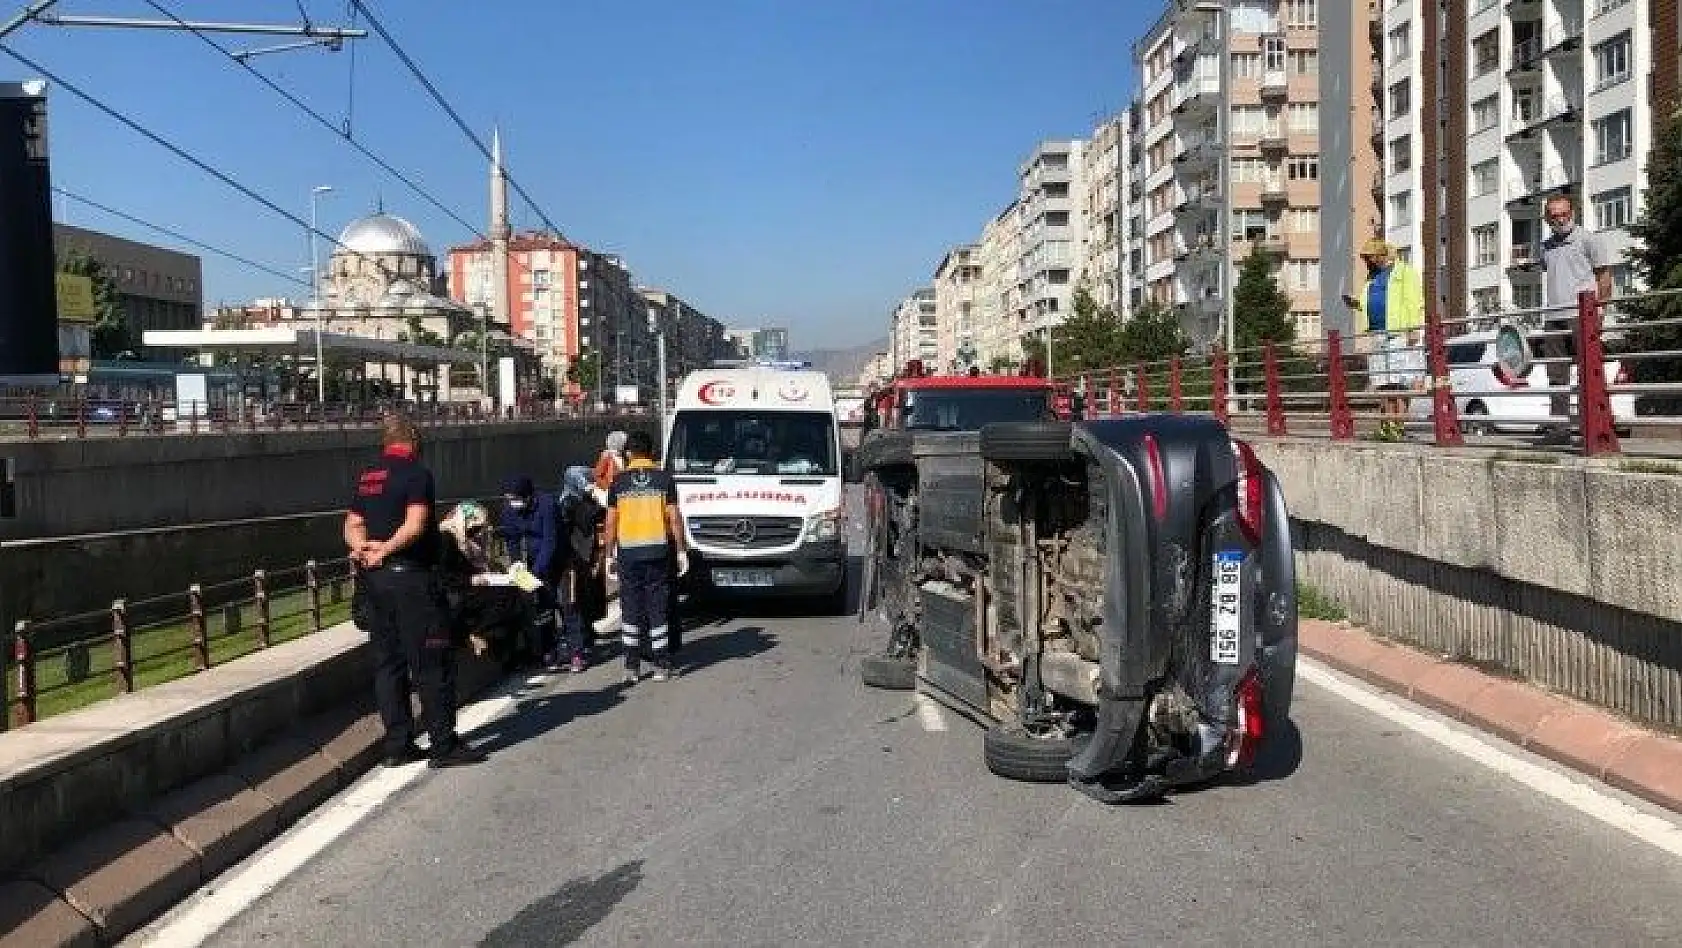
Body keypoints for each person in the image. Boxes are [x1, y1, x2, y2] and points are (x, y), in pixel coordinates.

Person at [344, 413, 486, 769]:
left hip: (375, 584)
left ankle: (398, 746)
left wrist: (363, 549)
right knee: (431, 663)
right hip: (411, 582)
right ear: (415, 443)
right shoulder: (416, 475)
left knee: (388, 666)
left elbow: (352, 524)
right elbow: (416, 523)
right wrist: (387, 549)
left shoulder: (368, 478)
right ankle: (442, 745)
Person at [603, 429, 690, 683]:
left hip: (629, 554)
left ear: (628, 453)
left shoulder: (618, 483)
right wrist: (682, 550)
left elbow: (610, 523)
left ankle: (632, 666)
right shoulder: (664, 480)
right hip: (658, 552)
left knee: (630, 607)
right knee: (657, 606)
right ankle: (661, 663)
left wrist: (609, 555)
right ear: (651, 452)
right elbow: (674, 518)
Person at [1539, 193, 1615, 443]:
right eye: (1554, 215)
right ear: (1547, 218)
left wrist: (1600, 311)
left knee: (1589, 372)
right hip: (1554, 316)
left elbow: (1604, 276)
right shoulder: (1546, 246)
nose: (1560, 219)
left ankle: (1593, 427)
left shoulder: (1588, 240)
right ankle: (1559, 429)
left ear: (1573, 213)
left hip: (1582, 315)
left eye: (1564, 214)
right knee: (1556, 374)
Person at [1342, 238, 1425, 437]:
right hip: (1378, 333)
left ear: (1380, 255)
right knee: (1383, 383)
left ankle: (1398, 426)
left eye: (1370, 257)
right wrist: (1356, 303)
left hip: (1400, 333)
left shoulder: (1405, 272)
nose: (1367, 261)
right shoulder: (1372, 277)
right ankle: (1387, 425)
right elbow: (1370, 301)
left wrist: (1413, 329)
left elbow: (1414, 301)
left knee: (1400, 382)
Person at [438, 501, 532, 664]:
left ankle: (509, 652)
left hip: (466, 585)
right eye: (474, 528)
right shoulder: (446, 538)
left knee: (516, 591)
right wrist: (470, 579)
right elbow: (444, 574)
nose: (477, 532)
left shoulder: (462, 539)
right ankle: (480, 634)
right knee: (506, 597)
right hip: (454, 592)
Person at [496, 475, 561, 669]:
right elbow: (512, 538)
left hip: (555, 554)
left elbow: (550, 540)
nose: (513, 503)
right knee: (541, 602)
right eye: (510, 499)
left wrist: (538, 569)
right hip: (533, 553)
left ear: (528, 495)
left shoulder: (547, 505)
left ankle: (576, 644)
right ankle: (546, 648)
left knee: (564, 601)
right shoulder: (510, 509)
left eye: (516, 498)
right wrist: (517, 564)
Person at [552, 466, 606, 672]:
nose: (588, 483)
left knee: (588, 596)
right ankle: (579, 642)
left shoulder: (581, 499)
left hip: (587, 553)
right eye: (585, 480)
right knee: (575, 600)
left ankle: (586, 635)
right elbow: (588, 519)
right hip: (575, 558)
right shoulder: (568, 501)